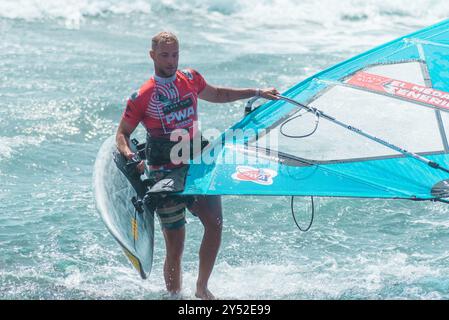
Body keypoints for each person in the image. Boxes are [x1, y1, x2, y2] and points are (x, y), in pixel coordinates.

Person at [116, 31, 279, 300]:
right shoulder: (142, 96)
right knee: (176, 246)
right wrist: (131, 156)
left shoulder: (190, 79)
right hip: (163, 173)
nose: (171, 61)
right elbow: (122, 134)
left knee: (214, 223)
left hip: (196, 163)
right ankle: (176, 297)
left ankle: (202, 288)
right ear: (152, 55)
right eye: (165, 55)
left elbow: (219, 94)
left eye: (175, 54)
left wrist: (257, 92)